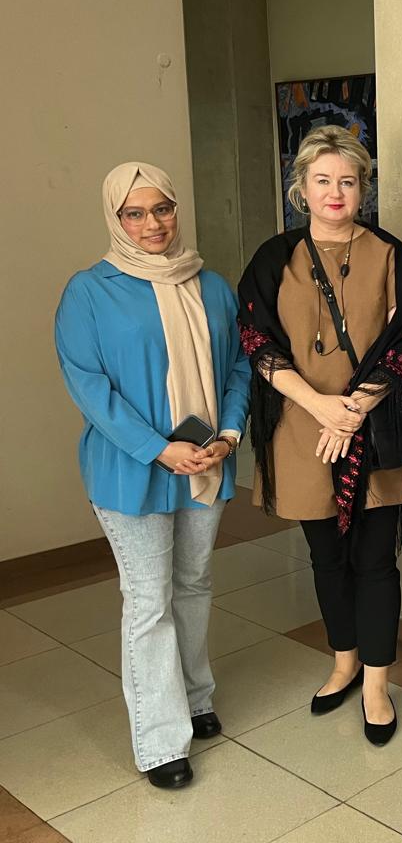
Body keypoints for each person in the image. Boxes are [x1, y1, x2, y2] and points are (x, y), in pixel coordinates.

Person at [237, 125, 402, 747]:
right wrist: (321, 407)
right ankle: (343, 661)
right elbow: (257, 343)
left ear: (362, 189)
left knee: (375, 560)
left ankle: (376, 683)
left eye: (347, 181)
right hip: (301, 430)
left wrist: (354, 409)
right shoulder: (273, 258)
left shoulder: (390, 254)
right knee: (326, 556)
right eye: (322, 180)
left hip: (372, 427)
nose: (335, 192)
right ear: (300, 187)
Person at [55, 163, 250, 790]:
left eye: (162, 209)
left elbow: (238, 368)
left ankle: (195, 697)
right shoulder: (89, 291)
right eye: (134, 214)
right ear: (116, 219)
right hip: (130, 469)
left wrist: (229, 434)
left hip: (205, 464)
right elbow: (89, 387)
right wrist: (159, 449)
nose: (152, 224)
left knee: (193, 584)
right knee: (149, 602)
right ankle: (161, 740)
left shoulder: (211, 285)